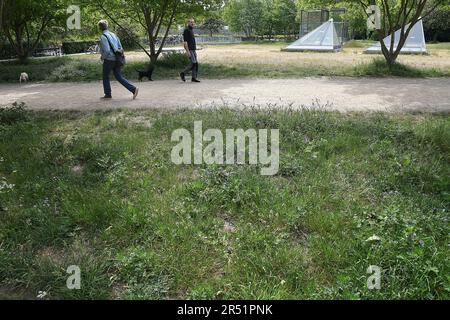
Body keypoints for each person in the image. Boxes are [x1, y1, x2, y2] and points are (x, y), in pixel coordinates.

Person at [98, 20, 139, 99]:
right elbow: (121, 48)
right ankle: (133, 89)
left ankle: (108, 94)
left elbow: (106, 50)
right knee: (119, 76)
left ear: (100, 28)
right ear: (107, 26)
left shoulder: (103, 37)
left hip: (109, 60)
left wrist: (103, 57)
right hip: (117, 59)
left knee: (105, 76)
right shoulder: (114, 35)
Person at [180, 18, 200, 83]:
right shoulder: (186, 30)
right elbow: (185, 42)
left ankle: (193, 78)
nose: (192, 23)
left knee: (195, 63)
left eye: (193, 22)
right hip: (190, 50)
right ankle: (183, 73)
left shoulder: (191, 30)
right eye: (191, 22)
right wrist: (187, 51)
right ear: (188, 23)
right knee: (193, 63)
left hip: (193, 49)